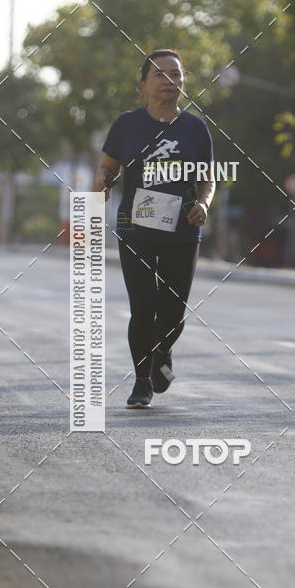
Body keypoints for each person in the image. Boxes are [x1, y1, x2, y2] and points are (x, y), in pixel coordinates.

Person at [93, 49, 215, 408]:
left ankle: (162, 349)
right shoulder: (127, 124)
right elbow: (106, 167)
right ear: (143, 83)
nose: (169, 81)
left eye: (176, 75)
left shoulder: (195, 128)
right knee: (143, 306)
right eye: (160, 75)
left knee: (174, 309)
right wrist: (103, 182)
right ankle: (142, 380)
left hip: (182, 228)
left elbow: (207, 179)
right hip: (137, 227)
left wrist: (205, 204)